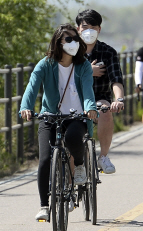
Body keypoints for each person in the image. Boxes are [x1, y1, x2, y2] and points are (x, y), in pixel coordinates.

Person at [19, 23, 98, 221]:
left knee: (72, 138)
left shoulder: (83, 65)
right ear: (58, 42)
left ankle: (79, 165)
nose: (72, 43)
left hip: (77, 116)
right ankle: (44, 205)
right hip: (50, 116)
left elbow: (88, 90)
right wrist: (26, 107)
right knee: (45, 159)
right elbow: (32, 86)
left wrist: (90, 108)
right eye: (68, 39)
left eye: (75, 39)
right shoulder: (45, 64)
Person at [76, 9, 125, 174]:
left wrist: (119, 99)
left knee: (105, 111)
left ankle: (103, 156)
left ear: (99, 29)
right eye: (84, 27)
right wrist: (88, 71)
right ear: (78, 29)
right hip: (73, 99)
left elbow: (116, 79)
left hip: (98, 99)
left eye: (93, 27)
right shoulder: (71, 51)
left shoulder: (108, 52)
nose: (88, 31)